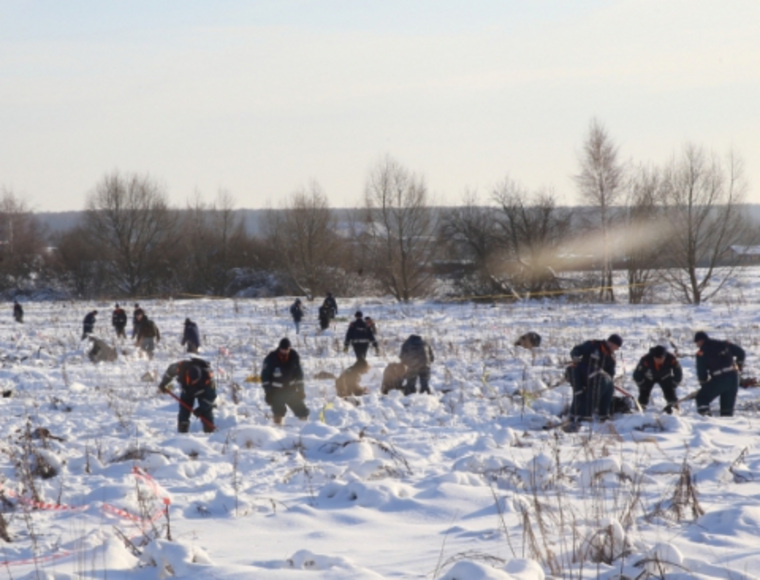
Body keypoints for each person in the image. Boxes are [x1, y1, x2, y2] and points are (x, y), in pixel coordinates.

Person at [567, 334, 622, 421]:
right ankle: (584, 414)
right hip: (583, 373)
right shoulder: (593, 345)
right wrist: (575, 356)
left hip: (598, 377)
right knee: (601, 381)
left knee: (609, 385)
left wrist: (609, 382)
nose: (616, 349)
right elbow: (577, 349)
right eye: (617, 346)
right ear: (611, 343)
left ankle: (603, 414)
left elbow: (610, 374)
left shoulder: (611, 358)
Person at [158, 356, 217, 433]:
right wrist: (163, 383)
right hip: (187, 390)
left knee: (206, 412)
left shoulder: (208, 377)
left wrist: (202, 408)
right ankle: (182, 432)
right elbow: (170, 372)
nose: (193, 382)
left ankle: (210, 432)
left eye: (195, 381)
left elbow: (211, 397)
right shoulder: (181, 367)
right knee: (184, 411)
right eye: (191, 380)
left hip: (203, 392)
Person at [694, 331, 746, 417]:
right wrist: (739, 366)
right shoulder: (724, 344)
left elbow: (701, 373)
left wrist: (704, 385)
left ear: (701, 341)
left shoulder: (701, 353)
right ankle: (727, 427)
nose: (697, 345)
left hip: (720, 379)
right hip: (734, 377)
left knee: (701, 398)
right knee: (727, 411)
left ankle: (705, 421)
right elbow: (741, 353)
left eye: (697, 343)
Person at [261, 338, 309, 425]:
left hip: (291, 390)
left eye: (287, 350)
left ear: (289, 348)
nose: (285, 352)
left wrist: (301, 390)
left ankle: (304, 429)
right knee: (278, 413)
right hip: (276, 392)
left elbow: (299, 376)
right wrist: (268, 392)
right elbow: (265, 377)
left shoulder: (294, 357)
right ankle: (278, 431)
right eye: (283, 349)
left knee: (302, 411)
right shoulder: (271, 358)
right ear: (279, 348)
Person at [632, 345, 682, 412]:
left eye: (661, 359)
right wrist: (641, 383)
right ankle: (640, 408)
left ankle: (674, 408)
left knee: (670, 392)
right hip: (649, 377)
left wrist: (674, 383)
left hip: (665, 376)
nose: (659, 361)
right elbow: (637, 373)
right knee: (643, 393)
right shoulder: (646, 359)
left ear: (665, 357)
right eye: (656, 359)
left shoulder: (671, 358)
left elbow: (678, 371)